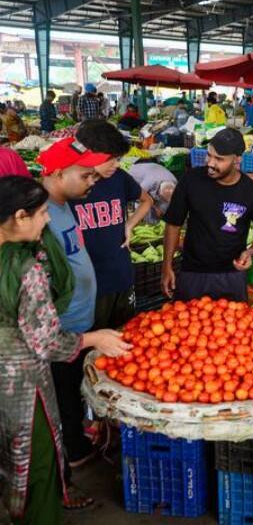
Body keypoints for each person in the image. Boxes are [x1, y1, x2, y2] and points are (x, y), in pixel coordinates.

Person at [0, 176, 130, 525]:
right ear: (19, 217)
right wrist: (94, 339)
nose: (47, 220)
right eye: (42, 213)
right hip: (21, 386)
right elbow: (47, 342)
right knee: (35, 464)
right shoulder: (26, 270)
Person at [36, 135, 114, 494]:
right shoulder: (36, 217)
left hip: (79, 322)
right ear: (57, 172)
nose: (93, 181)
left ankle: (77, 438)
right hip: (59, 332)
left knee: (74, 389)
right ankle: (72, 453)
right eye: (86, 175)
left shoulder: (64, 203)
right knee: (62, 393)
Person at [161, 128, 253, 302]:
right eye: (209, 155)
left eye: (219, 159)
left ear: (237, 160)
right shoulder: (191, 180)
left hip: (231, 276)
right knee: (187, 324)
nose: (210, 163)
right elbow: (173, 223)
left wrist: (250, 252)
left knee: (231, 326)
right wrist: (166, 265)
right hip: (192, 273)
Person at [70, 121, 152, 329]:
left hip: (121, 275)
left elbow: (147, 200)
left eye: (118, 159)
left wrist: (130, 224)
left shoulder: (119, 179)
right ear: (90, 153)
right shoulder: (71, 186)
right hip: (87, 284)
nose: (116, 165)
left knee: (124, 333)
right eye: (111, 160)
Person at [129, 158, 177, 224]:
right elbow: (139, 198)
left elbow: (169, 202)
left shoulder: (174, 182)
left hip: (154, 169)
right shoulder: (148, 182)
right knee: (144, 211)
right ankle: (146, 223)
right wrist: (154, 207)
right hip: (136, 175)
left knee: (161, 210)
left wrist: (161, 210)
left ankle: (157, 223)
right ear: (159, 191)